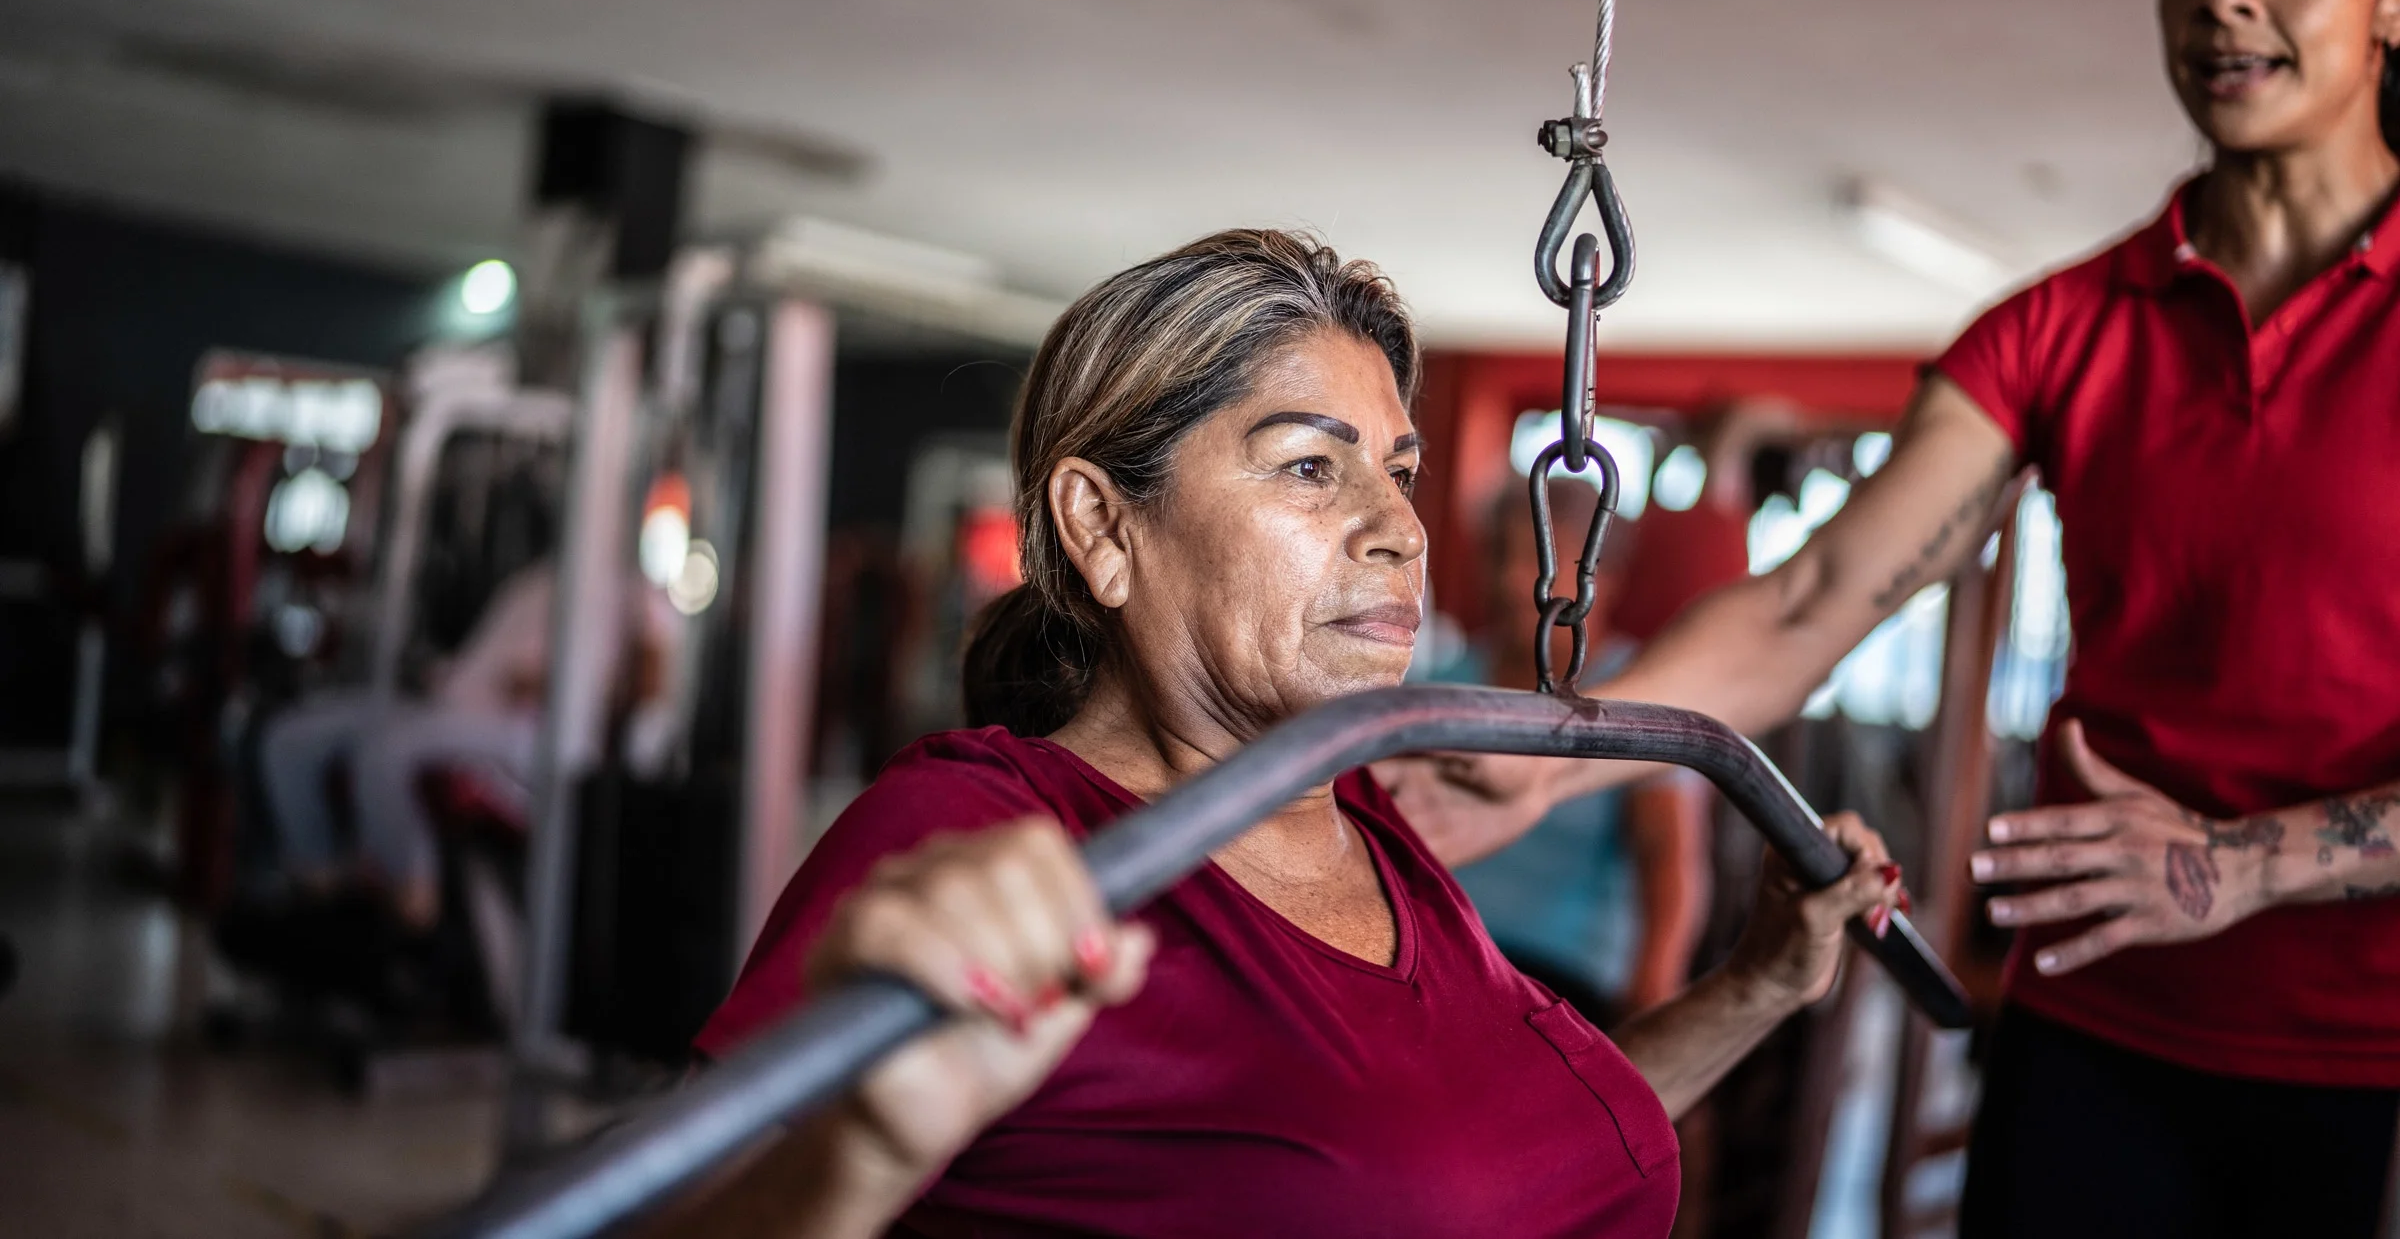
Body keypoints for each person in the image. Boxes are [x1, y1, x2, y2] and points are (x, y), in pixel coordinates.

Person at [1381, 0, 2400, 1233]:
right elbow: (1812, 597)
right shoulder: (2063, 327)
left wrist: (2247, 860)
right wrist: (1541, 770)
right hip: (2092, 1019)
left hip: (2370, 1055)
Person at [666, 229, 1904, 1238]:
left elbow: (1512, 1165)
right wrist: (861, 1158)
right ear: (1103, 526)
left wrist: (1757, 986)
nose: (1399, 530)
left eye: (1401, 473)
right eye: (1312, 469)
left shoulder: (1365, 818)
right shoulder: (985, 829)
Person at [258, 556, 679, 930]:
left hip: (527, 734)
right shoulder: (539, 578)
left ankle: (415, 895)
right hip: (454, 702)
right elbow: (482, 661)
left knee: (385, 750)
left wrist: (560, 690)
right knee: (291, 738)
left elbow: (647, 694)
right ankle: (317, 876)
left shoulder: (641, 599)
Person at [1438, 477, 1713, 1026]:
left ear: (1602, 578)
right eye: (1502, 556)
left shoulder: (1639, 696)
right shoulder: (1449, 683)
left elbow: (1669, 862)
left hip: (1560, 981)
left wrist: (1652, 1014)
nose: (1513, 580)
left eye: (1539, 561)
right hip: (1442, 953)